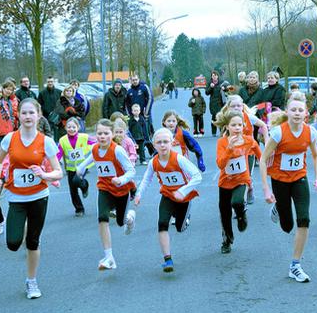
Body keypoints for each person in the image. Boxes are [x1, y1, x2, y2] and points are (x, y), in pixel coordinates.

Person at [0, 98, 63, 299]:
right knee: (13, 243)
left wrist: (44, 174)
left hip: (39, 196)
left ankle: (31, 281)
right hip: (16, 196)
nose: (28, 116)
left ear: (38, 115)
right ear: (19, 115)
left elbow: (58, 172)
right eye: (24, 113)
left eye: (32, 113)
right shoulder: (9, 139)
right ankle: (21, 229)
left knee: (33, 241)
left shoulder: (46, 142)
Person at [259, 92, 317, 283]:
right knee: (287, 226)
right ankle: (279, 207)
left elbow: (315, 155)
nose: (297, 113)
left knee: (304, 219)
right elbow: (263, 160)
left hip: (299, 179)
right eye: (293, 109)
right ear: (287, 111)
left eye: (300, 110)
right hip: (279, 180)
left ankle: (295, 265)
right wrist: (266, 189)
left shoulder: (310, 132)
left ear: (306, 114)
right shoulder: (279, 132)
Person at [134, 128, 203, 273]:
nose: (163, 145)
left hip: (183, 197)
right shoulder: (154, 162)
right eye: (159, 142)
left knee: (179, 227)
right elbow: (146, 179)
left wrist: (183, 191)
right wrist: (139, 194)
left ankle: (184, 217)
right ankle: (168, 259)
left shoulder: (178, 159)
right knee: (162, 223)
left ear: (171, 143)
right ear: (154, 145)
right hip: (167, 194)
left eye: (166, 142)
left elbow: (197, 176)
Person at [76, 119, 137, 271]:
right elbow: (89, 160)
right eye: (99, 133)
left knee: (121, 222)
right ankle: (109, 257)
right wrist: (81, 168)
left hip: (121, 189)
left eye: (106, 133)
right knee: (102, 218)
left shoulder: (117, 150)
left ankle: (130, 218)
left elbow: (131, 171)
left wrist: (121, 179)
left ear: (111, 134)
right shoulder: (95, 149)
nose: (102, 136)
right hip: (104, 188)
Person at [214, 110, 261, 253]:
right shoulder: (222, 142)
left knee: (237, 202)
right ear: (227, 127)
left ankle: (241, 215)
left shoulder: (248, 140)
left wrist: (266, 163)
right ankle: (227, 240)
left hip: (242, 179)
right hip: (225, 182)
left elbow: (260, 154)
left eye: (240, 125)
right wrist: (229, 149)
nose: (237, 128)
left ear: (243, 126)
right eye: (233, 125)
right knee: (225, 213)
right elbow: (221, 165)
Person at [221, 94, 269, 204]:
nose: (237, 108)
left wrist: (266, 141)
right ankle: (242, 192)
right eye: (233, 106)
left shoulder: (249, 117)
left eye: (239, 105)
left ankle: (247, 192)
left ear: (243, 106)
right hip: (234, 153)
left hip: (249, 152)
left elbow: (263, 126)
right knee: (235, 175)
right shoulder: (226, 119)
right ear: (228, 107)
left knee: (246, 175)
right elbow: (224, 136)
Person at [57, 118, 94, 217]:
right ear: (65, 128)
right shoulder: (63, 140)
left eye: (74, 127)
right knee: (72, 189)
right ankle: (79, 209)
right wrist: (55, 163)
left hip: (83, 166)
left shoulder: (85, 137)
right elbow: (58, 153)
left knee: (77, 181)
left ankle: (85, 186)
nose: (71, 129)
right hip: (70, 168)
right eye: (69, 127)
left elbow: (96, 144)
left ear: (78, 127)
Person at [206, 70, 227, 137]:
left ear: (217, 76)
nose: (214, 77)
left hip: (221, 102)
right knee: (214, 117)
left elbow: (228, 89)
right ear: (211, 77)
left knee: (221, 117)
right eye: (213, 76)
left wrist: (224, 88)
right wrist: (211, 87)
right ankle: (214, 132)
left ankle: (222, 131)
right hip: (213, 103)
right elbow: (207, 93)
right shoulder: (210, 83)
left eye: (215, 75)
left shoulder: (221, 82)